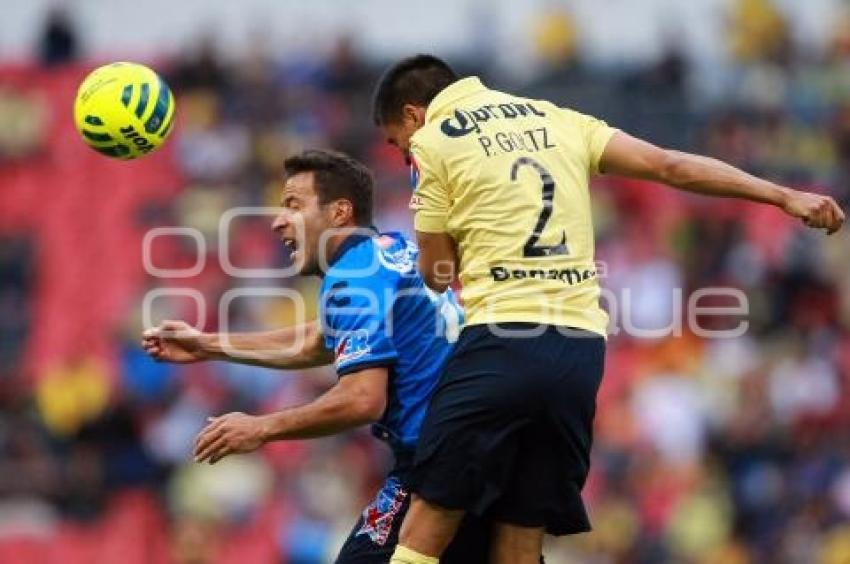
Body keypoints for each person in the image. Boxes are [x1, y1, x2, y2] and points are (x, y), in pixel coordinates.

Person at [370, 54, 846, 564]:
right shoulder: (558, 118)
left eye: (398, 143)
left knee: (430, 514)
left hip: (500, 341)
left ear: (414, 114)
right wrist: (782, 194)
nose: (404, 154)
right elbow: (671, 165)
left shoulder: (433, 141)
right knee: (521, 526)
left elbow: (437, 274)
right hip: (578, 351)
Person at [141, 149, 490, 563]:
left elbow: (363, 398)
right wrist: (207, 346)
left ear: (340, 212)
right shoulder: (391, 251)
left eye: (292, 205)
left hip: (437, 459)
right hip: (480, 443)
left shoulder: (351, 278)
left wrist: (262, 428)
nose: (277, 221)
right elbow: (319, 342)